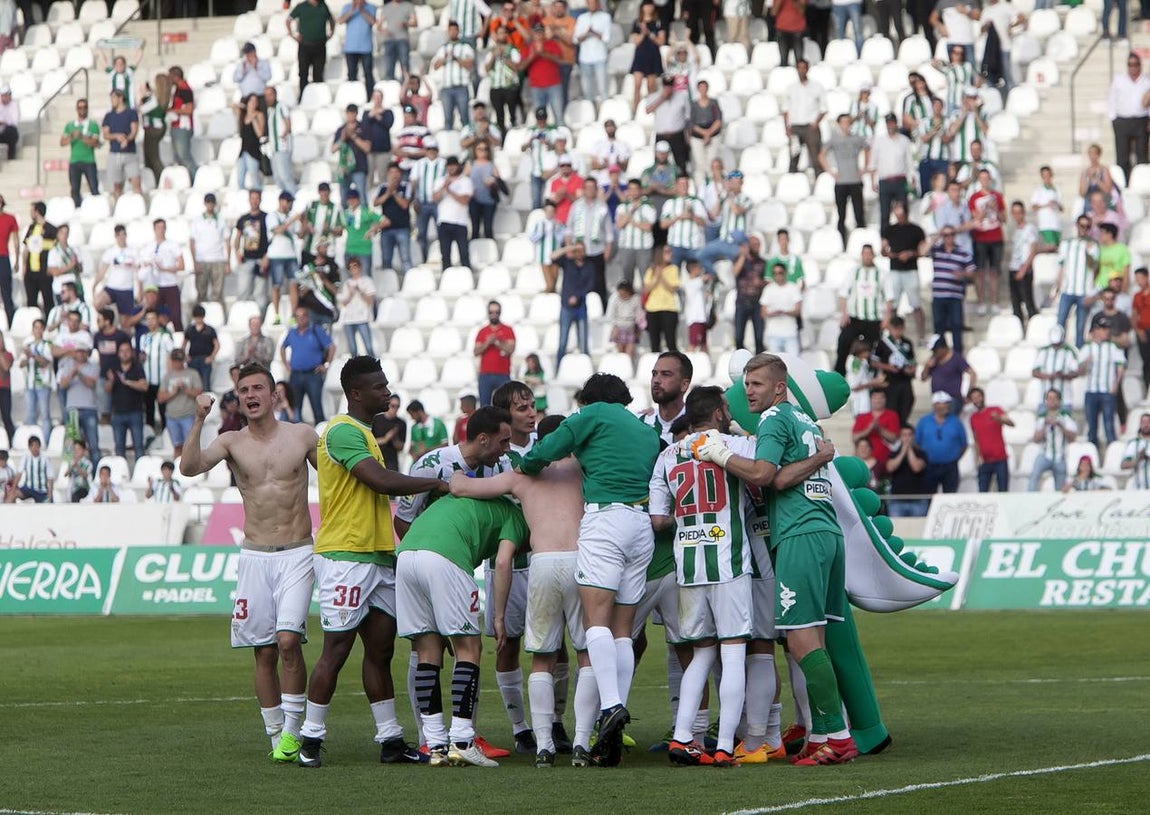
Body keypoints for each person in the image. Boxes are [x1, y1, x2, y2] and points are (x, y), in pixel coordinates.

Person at [685, 354, 860, 764]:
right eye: (747, 384)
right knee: (813, 638)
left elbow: (767, 475)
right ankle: (822, 737)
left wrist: (719, 455)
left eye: (758, 384)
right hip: (826, 533)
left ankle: (838, 736)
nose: (749, 392)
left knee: (800, 639)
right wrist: (818, 457)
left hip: (799, 533)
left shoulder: (773, 420)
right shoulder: (807, 423)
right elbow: (785, 474)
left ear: (779, 387)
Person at [518, 373, 660, 767]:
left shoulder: (593, 413)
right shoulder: (644, 430)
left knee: (595, 623)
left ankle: (611, 706)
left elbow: (546, 449)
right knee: (622, 631)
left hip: (605, 521)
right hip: (640, 524)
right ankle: (614, 712)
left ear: (590, 399)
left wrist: (529, 463)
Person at [179, 364, 318, 763]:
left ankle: (293, 732)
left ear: (274, 395)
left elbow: (336, 479)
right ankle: (276, 735)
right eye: (244, 390)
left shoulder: (302, 436)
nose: (252, 394)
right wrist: (199, 418)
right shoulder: (231, 442)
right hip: (255, 555)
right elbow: (189, 468)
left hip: (297, 552)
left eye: (259, 387)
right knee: (264, 651)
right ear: (238, 399)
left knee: (289, 641)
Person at [447, 413, 585, 767]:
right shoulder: (583, 470)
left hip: (542, 564)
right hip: (580, 561)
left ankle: (542, 746)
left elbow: (461, 487)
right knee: (585, 654)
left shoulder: (523, 476)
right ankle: (584, 741)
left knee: (541, 657)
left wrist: (457, 466)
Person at [834, 245, 890, 376]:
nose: (867, 256)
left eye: (869, 254)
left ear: (873, 255)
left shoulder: (881, 274)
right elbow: (843, 294)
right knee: (843, 341)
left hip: (874, 319)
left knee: (875, 349)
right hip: (855, 318)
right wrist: (844, 313)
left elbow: (889, 297)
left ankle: (874, 376)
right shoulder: (854, 272)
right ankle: (839, 374)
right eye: (864, 253)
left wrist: (886, 318)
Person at [881, 202, 927, 340]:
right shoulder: (890, 229)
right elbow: (883, 250)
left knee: (916, 305)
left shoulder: (916, 230)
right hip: (895, 270)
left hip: (911, 270)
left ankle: (921, 336)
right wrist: (893, 255)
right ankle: (892, 334)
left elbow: (922, 251)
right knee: (893, 306)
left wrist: (910, 254)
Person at [281, 307, 334, 423]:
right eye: (298, 317)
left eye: (303, 316)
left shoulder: (316, 330)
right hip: (295, 374)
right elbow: (283, 347)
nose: (300, 319)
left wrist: (326, 365)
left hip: (313, 374)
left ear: (307, 317)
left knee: (317, 408)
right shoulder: (292, 332)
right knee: (295, 408)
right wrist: (286, 364)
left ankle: (321, 435)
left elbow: (331, 347)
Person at [1056, 216, 1102, 348]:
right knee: (1060, 323)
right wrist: (1057, 287)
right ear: (1077, 226)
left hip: (1084, 291)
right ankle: (1058, 352)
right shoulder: (1067, 243)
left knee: (1080, 326)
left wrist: (1088, 251)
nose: (1084, 229)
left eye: (1087, 227)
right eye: (1082, 226)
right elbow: (1061, 266)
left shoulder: (1094, 245)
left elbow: (1094, 267)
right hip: (1068, 289)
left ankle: (1078, 355)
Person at [1079, 318, 1125, 449]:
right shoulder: (1087, 347)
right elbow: (1077, 370)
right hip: (1091, 390)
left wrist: (1116, 384)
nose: (1107, 332)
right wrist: (1085, 363)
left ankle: (1113, 453)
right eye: (1103, 329)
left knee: (1109, 425)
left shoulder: (1112, 347)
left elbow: (1120, 366)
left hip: (1107, 390)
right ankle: (1091, 455)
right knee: (1091, 426)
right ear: (1096, 330)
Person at [929, 227, 976, 354]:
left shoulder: (962, 252)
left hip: (955, 295)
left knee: (956, 325)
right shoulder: (936, 250)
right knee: (938, 326)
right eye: (945, 235)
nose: (948, 237)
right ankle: (939, 353)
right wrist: (937, 235)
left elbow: (972, 272)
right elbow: (923, 251)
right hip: (938, 295)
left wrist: (963, 274)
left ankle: (957, 355)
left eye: (950, 235)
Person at [822, 114, 867, 243]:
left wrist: (864, 168)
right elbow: (822, 155)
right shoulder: (834, 139)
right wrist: (830, 171)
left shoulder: (857, 139)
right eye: (843, 122)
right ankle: (842, 241)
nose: (846, 125)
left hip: (855, 180)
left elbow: (868, 149)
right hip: (841, 181)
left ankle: (861, 241)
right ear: (839, 124)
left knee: (859, 213)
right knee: (841, 215)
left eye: (848, 122)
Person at [968, 168, 1006, 315]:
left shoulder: (997, 196)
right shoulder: (974, 198)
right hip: (980, 237)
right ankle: (981, 301)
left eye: (987, 178)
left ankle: (994, 301)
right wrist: (984, 209)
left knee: (994, 271)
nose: (985, 181)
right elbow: (974, 219)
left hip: (996, 236)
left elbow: (1004, 219)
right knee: (979, 271)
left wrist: (995, 209)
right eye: (982, 178)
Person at [914, 391, 968, 494]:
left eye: (947, 404)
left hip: (950, 467)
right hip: (929, 466)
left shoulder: (955, 421)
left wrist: (954, 458)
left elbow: (964, 444)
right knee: (929, 495)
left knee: (950, 496)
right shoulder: (924, 421)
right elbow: (917, 443)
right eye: (942, 404)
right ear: (935, 405)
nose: (945, 407)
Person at [57, 340, 100, 466]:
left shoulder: (93, 366)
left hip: (89, 408)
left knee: (93, 444)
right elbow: (63, 385)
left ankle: (95, 473)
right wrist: (72, 373)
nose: (81, 354)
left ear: (87, 353)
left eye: (83, 352)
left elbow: (91, 384)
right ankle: (72, 472)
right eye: (78, 352)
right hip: (72, 409)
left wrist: (79, 374)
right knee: (72, 444)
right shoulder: (67, 365)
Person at [139, 218, 186, 332]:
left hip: (170, 283)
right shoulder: (148, 246)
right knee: (156, 315)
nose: (161, 230)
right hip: (155, 286)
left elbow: (181, 266)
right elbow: (142, 265)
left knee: (175, 316)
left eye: (162, 228)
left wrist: (164, 269)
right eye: (158, 228)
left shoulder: (172, 245)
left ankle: (179, 339)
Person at [1108, 53, 1150, 180]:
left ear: (1140, 66)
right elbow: (1112, 100)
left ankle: (1141, 182)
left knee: (1142, 155)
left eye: (1136, 65)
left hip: (1141, 120)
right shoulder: (1119, 80)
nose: (1133, 68)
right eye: (1130, 65)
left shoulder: (1146, 81)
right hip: (1122, 120)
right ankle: (1123, 183)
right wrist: (1113, 118)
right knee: (1122, 155)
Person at [552, 242, 594, 366]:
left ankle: (588, 371)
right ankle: (558, 369)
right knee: (562, 342)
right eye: (577, 250)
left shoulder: (589, 266)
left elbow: (590, 285)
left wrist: (577, 296)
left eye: (582, 250)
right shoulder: (567, 263)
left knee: (583, 343)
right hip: (566, 307)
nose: (580, 252)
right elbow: (553, 256)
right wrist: (569, 248)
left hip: (581, 307)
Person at [106, 339, 147, 461]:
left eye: (127, 351)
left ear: (131, 352)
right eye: (122, 351)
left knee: (139, 446)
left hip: (135, 412)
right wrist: (111, 380)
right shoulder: (114, 367)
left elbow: (144, 386)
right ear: (118, 353)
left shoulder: (137, 367)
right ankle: (120, 472)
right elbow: (107, 390)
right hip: (117, 413)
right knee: (119, 447)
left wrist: (128, 382)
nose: (124, 353)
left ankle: (141, 471)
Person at [1029, 388, 1077, 491]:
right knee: (1033, 477)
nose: (1051, 401)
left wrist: (1061, 426)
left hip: (1060, 456)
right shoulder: (1042, 417)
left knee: (1060, 488)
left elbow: (1072, 437)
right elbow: (1035, 439)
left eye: (1054, 398)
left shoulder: (1065, 416)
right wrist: (1045, 425)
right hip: (1045, 454)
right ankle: (1030, 500)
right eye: (1049, 398)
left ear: (1059, 400)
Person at [612, 179, 656, 291]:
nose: (633, 192)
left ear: (640, 190)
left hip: (643, 247)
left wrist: (631, 221)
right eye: (631, 189)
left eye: (636, 189)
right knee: (627, 278)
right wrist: (632, 211)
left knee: (645, 278)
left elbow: (647, 227)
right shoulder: (622, 207)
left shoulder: (648, 207)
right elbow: (619, 224)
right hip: (626, 246)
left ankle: (645, 305)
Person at [872, 317, 917, 423]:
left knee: (907, 403)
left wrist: (911, 370)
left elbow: (912, 361)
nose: (897, 331)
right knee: (891, 407)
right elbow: (874, 362)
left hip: (905, 381)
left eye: (900, 328)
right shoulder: (882, 343)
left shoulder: (907, 343)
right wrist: (888, 367)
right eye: (895, 328)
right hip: (889, 382)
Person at [784, 60, 826, 176]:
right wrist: (786, 127)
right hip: (795, 127)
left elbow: (824, 108)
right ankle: (792, 182)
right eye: (799, 68)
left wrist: (816, 123)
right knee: (794, 156)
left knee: (815, 157)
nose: (801, 70)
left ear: (807, 69)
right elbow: (785, 110)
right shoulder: (791, 88)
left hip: (810, 127)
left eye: (803, 68)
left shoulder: (816, 87)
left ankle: (821, 182)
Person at [968, 386, 1013, 493]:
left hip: (1000, 459)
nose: (977, 400)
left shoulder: (995, 410)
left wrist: (999, 418)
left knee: (1003, 491)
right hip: (984, 461)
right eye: (974, 398)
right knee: (983, 492)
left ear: (983, 397)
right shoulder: (973, 417)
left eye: (978, 397)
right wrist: (978, 457)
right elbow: (976, 439)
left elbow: (1011, 423)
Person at [189, 193, 230, 306]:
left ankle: (217, 317)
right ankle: (202, 318)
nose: (210, 205)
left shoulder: (221, 220)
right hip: (202, 260)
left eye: (212, 203)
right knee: (201, 293)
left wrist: (227, 262)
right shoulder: (197, 220)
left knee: (218, 293)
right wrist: (195, 262)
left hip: (218, 260)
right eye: (208, 202)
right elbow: (192, 242)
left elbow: (227, 241)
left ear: (215, 204)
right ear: (205, 204)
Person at [101, 89, 141, 204]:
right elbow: (106, 134)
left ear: (120, 98)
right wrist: (116, 136)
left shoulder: (131, 113)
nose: (112, 101)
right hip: (115, 153)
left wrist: (127, 139)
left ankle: (138, 205)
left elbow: (134, 130)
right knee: (116, 185)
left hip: (129, 153)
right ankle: (119, 205)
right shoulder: (109, 116)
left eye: (114, 98)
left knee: (135, 181)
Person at [521, 22, 565, 124]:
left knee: (558, 115)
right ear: (532, 34)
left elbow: (559, 59)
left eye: (540, 32)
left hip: (554, 84)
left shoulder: (552, 44)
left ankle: (560, 135)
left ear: (544, 33)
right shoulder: (528, 47)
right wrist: (532, 56)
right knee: (540, 117)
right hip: (536, 86)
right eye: (536, 32)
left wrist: (542, 53)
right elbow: (521, 66)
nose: (539, 34)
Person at [434, 21, 475, 130]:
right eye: (450, 30)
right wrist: (444, 58)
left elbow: (469, 64)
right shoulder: (443, 48)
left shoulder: (465, 47)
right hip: (446, 88)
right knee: (447, 118)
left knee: (464, 117)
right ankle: (448, 142)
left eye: (454, 30)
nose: (452, 32)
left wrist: (456, 58)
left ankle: (467, 139)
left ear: (458, 31)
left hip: (461, 87)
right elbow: (436, 65)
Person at [289, 0, 335, 97]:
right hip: (305, 45)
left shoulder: (323, 5)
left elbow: (331, 19)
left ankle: (317, 97)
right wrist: (292, 35)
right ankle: (303, 96)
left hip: (320, 45)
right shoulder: (302, 6)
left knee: (318, 73)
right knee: (303, 73)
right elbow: (288, 20)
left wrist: (331, 32)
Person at [410, 137, 445, 263]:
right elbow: (413, 182)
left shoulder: (443, 163)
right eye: (429, 149)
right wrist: (414, 200)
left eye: (434, 149)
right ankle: (422, 258)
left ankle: (442, 256)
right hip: (423, 203)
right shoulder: (419, 164)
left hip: (439, 204)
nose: (431, 151)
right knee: (421, 233)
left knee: (441, 231)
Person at [646, 76, 691, 174]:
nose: (668, 88)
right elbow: (648, 110)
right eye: (666, 86)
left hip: (677, 135)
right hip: (661, 135)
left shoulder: (682, 96)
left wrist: (688, 136)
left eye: (670, 86)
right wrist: (662, 98)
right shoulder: (654, 96)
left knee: (681, 163)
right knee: (659, 163)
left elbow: (688, 117)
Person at [475, 300, 516, 407]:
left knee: (505, 405)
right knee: (484, 406)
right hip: (485, 375)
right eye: (491, 312)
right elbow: (476, 351)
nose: (494, 315)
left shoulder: (507, 330)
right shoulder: (483, 331)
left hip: (502, 374)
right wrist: (487, 343)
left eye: (496, 312)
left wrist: (497, 342)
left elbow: (510, 349)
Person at [435, 157, 474, 270]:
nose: (451, 168)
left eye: (454, 165)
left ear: (458, 166)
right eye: (449, 165)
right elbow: (434, 198)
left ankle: (467, 276)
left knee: (464, 253)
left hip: (460, 222)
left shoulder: (465, 181)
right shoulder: (440, 181)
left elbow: (464, 200)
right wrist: (444, 187)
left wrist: (450, 190)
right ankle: (446, 278)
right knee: (445, 255)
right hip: (444, 222)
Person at [730, 237, 767, 355]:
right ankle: (741, 360)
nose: (757, 247)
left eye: (758, 244)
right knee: (739, 337)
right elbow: (734, 272)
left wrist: (760, 283)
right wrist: (743, 255)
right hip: (742, 302)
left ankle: (759, 360)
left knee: (759, 337)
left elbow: (768, 281)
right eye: (754, 244)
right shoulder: (739, 260)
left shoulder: (762, 262)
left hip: (757, 303)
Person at [61, 98, 100, 207]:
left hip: (89, 160)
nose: (82, 110)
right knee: (74, 189)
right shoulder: (70, 126)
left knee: (93, 188)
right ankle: (77, 208)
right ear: (76, 109)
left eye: (84, 107)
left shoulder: (93, 125)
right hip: (75, 161)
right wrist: (72, 136)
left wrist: (82, 137)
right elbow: (62, 142)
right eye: (80, 107)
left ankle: (97, 208)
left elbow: (95, 142)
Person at [1008, 200, 1041, 325]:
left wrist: (1025, 268)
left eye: (1019, 212)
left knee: (1028, 301)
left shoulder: (1030, 228)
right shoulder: (1014, 230)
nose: (1017, 215)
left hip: (1024, 269)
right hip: (1013, 267)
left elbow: (1033, 249)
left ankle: (1035, 326)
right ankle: (1019, 328)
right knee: (1015, 303)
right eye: (1014, 213)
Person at [852, 389, 901, 475]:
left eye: (881, 398)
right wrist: (868, 430)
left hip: (885, 463)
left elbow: (894, 438)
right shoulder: (862, 417)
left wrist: (879, 429)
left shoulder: (892, 415)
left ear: (885, 399)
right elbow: (854, 438)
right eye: (875, 398)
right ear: (870, 399)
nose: (878, 400)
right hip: (864, 463)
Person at [921, 334, 972, 415]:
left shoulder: (956, 358)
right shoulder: (933, 359)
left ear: (942, 348)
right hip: (937, 399)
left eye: (935, 350)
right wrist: (927, 367)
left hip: (952, 399)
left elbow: (972, 373)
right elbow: (923, 378)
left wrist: (969, 393)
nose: (934, 353)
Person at [19, 319, 53, 441]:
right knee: (30, 415)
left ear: (43, 329)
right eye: (35, 327)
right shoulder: (28, 346)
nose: (37, 330)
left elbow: (45, 362)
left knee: (44, 415)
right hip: (29, 384)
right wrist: (28, 357)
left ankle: (46, 441)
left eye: (40, 327)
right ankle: (32, 442)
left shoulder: (48, 344)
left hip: (43, 383)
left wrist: (32, 355)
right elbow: (21, 364)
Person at [1032, 325, 1081, 409]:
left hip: (1065, 399)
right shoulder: (1043, 351)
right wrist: (1049, 376)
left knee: (1064, 422)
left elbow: (1076, 372)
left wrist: (1063, 375)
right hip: (1045, 400)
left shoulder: (1070, 351)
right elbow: (1034, 372)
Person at [643, 245, 681, 352]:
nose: (670, 254)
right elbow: (646, 289)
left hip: (669, 308)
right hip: (652, 308)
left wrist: (662, 277)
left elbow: (672, 288)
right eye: (666, 252)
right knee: (655, 343)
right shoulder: (651, 270)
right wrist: (656, 276)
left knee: (671, 342)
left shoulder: (673, 269)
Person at [629, 2, 665, 113]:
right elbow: (635, 41)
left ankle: (650, 109)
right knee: (637, 85)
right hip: (640, 56)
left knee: (651, 86)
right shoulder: (637, 23)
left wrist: (649, 33)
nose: (648, 8)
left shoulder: (658, 22)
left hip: (653, 55)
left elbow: (661, 41)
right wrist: (643, 33)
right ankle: (636, 110)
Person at [487, 25, 523, 133]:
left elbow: (517, 67)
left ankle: (513, 133)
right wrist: (494, 56)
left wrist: (505, 57)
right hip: (496, 86)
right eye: (499, 33)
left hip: (510, 86)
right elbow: (487, 68)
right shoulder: (492, 51)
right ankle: (502, 136)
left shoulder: (512, 50)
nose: (501, 35)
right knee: (499, 115)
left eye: (503, 33)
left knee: (512, 114)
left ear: (507, 35)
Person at [886, 424, 929, 516]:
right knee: (896, 529)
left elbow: (916, 468)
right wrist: (903, 452)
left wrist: (909, 450)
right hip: (897, 501)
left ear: (913, 436)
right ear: (900, 437)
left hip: (918, 501)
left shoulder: (921, 454)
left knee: (918, 529)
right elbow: (890, 467)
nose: (907, 438)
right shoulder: (893, 454)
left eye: (909, 435)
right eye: (904, 435)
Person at [332, 104, 371, 204]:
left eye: (353, 113)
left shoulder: (363, 128)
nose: (351, 115)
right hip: (344, 169)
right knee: (344, 196)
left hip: (359, 167)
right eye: (349, 113)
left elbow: (367, 148)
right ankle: (345, 218)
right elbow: (333, 149)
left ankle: (364, 217)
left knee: (361, 195)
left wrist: (353, 136)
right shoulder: (341, 130)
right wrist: (343, 139)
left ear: (356, 113)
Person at [466, 141, 502, 240]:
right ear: (475, 150)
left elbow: (500, 184)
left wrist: (493, 183)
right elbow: (462, 181)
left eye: (485, 149)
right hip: (474, 200)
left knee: (488, 228)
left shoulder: (492, 165)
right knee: (475, 228)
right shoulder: (470, 165)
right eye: (480, 149)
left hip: (489, 200)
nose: (483, 151)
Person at [166, 66, 197, 180]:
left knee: (184, 156)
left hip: (183, 127)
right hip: (176, 126)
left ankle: (195, 178)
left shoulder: (185, 90)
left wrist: (172, 111)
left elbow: (189, 110)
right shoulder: (178, 89)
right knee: (178, 158)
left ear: (175, 76)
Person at [139, 75, 169, 185]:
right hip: (155, 128)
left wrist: (141, 96)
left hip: (153, 130)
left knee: (153, 157)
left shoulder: (154, 100)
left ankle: (161, 179)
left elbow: (140, 110)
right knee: (149, 157)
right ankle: (155, 180)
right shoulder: (159, 97)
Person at [378, 0, 417, 81]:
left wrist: (405, 23)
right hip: (389, 40)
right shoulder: (386, 7)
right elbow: (379, 25)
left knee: (404, 65)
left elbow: (415, 23)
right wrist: (383, 31)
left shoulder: (408, 6)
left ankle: (405, 86)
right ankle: (390, 86)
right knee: (389, 66)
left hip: (402, 39)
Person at [1029, 165, 1064, 248]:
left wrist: (1056, 204)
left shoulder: (1057, 189)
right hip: (1046, 224)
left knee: (1057, 248)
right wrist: (1046, 205)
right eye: (1044, 176)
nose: (1047, 178)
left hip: (1056, 224)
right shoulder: (1038, 190)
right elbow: (1033, 206)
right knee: (1050, 247)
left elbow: (1062, 208)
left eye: (1048, 175)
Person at [371, 393, 407, 472]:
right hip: (375, 460)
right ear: (388, 404)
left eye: (398, 406)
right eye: (393, 406)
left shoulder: (401, 423)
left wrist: (394, 438)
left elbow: (401, 447)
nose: (395, 409)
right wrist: (385, 439)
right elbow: (369, 441)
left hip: (391, 463)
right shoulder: (376, 419)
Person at [15, 436, 52, 503]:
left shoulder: (45, 459)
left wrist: (50, 494)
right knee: (12, 494)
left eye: (37, 446)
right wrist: (13, 488)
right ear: (29, 447)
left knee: (47, 505)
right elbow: (19, 473)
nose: (35, 448)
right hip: (28, 488)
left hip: (41, 491)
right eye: (32, 446)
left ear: (39, 447)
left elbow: (50, 477)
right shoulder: (26, 457)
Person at [1120, 412, 1150, 490]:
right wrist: (1138, 459)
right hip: (1138, 488)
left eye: (1148, 422)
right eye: (1143, 422)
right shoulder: (1133, 444)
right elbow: (1123, 465)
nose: (1146, 425)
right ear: (1140, 424)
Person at [0, 194, 16, 324]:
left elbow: (16, 240)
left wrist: (17, 257)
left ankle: (12, 322)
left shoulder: (10, 218)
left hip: (3, 257)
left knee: (6, 294)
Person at [0, 84, 18, 160]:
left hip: (9, 132)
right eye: (2, 96)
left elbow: (14, 122)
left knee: (11, 131)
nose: (3, 98)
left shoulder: (14, 105)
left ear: (9, 96)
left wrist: (4, 122)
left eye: (5, 96)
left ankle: (11, 158)